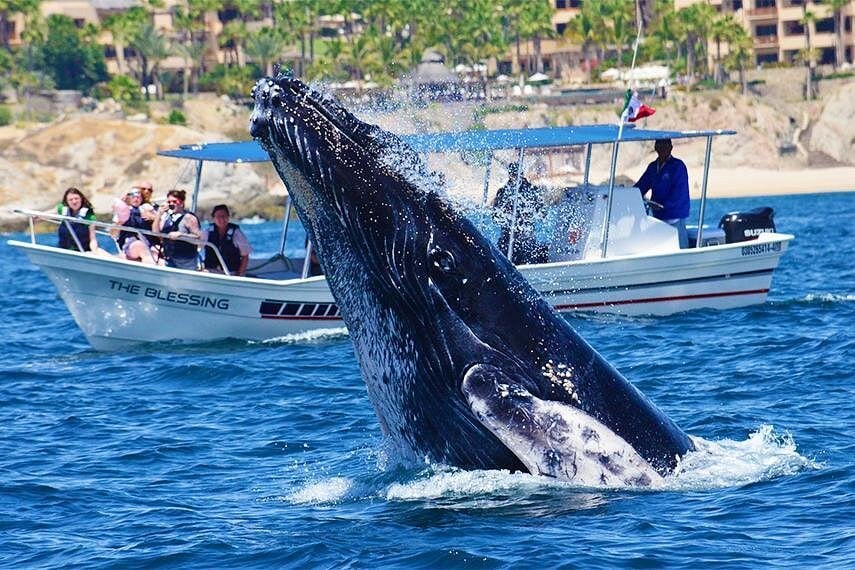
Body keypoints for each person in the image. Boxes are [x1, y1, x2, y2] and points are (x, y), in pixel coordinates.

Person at [635, 138, 690, 248]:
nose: (662, 149)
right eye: (659, 146)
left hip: (675, 218)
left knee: (679, 251)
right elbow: (641, 186)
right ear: (655, 148)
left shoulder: (678, 166)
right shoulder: (652, 167)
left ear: (671, 148)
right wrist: (628, 195)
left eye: (665, 146)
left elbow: (679, 193)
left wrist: (662, 206)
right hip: (657, 219)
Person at [491, 162, 546, 264]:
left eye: (516, 174)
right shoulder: (503, 191)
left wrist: (528, 213)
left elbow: (542, 213)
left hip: (526, 237)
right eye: (513, 174)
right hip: (508, 237)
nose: (514, 176)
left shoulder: (531, 190)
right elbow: (495, 216)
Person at [152, 189, 201, 270]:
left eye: (174, 202)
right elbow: (155, 233)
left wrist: (181, 235)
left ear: (181, 203)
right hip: (169, 259)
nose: (171, 204)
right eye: (169, 202)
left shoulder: (189, 218)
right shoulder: (167, 217)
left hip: (186, 261)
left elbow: (198, 239)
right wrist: (159, 215)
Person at [202, 204, 252, 276]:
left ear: (228, 217)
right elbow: (197, 247)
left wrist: (240, 274)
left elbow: (245, 255)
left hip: (231, 273)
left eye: (224, 216)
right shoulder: (206, 233)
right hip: (211, 271)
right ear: (213, 219)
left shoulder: (237, 233)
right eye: (218, 217)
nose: (222, 219)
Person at [115, 186, 157, 263]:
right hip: (131, 243)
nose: (136, 198)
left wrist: (152, 217)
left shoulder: (147, 209)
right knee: (140, 246)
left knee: (157, 254)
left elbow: (160, 223)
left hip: (148, 243)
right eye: (133, 196)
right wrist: (120, 221)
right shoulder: (124, 211)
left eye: (138, 196)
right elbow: (113, 233)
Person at [56, 187, 99, 252]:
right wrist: (36, 219)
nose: (74, 202)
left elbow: (93, 239)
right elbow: (47, 215)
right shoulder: (62, 209)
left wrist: (94, 251)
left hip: (82, 251)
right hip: (63, 250)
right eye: (70, 200)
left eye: (76, 198)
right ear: (67, 202)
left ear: (81, 199)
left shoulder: (89, 216)